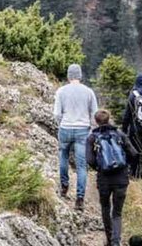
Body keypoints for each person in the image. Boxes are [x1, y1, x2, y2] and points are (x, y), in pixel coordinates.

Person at [86, 110, 138, 246]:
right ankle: (116, 242)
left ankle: (109, 240)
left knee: (105, 207)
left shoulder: (92, 138)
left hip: (104, 179)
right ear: (109, 119)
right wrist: (127, 167)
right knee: (117, 213)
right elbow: (133, 153)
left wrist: (100, 166)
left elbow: (90, 160)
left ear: (96, 121)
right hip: (121, 178)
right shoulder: (119, 134)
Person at [54, 63, 98, 211]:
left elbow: (56, 114)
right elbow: (95, 114)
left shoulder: (61, 91)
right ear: (80, 76)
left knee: (63, 157)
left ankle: (64, 186)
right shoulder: (89, 92)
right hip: (82, 130)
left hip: (65, 128)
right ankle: (80, 198)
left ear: (68, 76)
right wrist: (91, 129)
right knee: (81, 166)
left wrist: (62, 123)